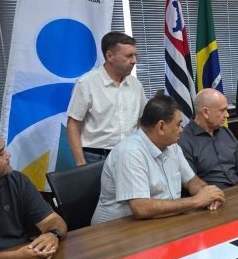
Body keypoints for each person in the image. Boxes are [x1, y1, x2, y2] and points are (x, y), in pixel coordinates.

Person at [91, 95, 225, 224]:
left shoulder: (173, 147)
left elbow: (191, 181)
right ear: (161, 127)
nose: (181, 130)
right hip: (115, 230)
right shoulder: (130, 152)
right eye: (178, 124)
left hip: (160, 222)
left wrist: (208, 194)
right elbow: (141, 208)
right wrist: (196, 201)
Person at [67, 31, 147, 166]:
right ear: (109, 56)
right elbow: (73, 125)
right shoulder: (87, 83)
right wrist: (81, 163)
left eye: (135, 55)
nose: (134, 60)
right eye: (128, 56)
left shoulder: (136, 85)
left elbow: (140, 120)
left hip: (130, 154)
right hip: (96, 156)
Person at [0, 136, 67, 259]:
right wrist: (15, 258)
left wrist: (53, 234)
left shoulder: (17, 180)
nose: (8, 155)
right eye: (1, 154)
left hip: (26, 257)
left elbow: (52, 220)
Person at [178, 89, 238, 189]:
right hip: (212, 195)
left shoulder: (226, 132)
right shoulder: (184, 141)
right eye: (223, 110)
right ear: (205, 112)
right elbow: (191, 182)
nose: (227, 115)